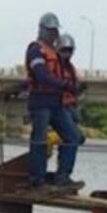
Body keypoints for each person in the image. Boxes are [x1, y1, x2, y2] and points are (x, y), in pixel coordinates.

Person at [25, 13, 82, 192]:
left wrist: (71, 87)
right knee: (40, 139)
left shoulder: (56, 55)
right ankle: (37, 179)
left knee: (73, 137)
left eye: (56, 30)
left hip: (55, 102)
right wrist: (65, 85)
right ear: (42, 30)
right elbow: (41, 74)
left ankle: (62, 176)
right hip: (40, 101)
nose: (54, 34)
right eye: (51, 30)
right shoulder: (36, 50)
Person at [56, 33, 87, 146]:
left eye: (69, 51)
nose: (67, 54)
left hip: (71, 107)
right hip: (60, 107)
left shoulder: (71, 68)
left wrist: (78, 89)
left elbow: (74, 87)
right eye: (64, 51)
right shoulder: (55, 67)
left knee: (73, 139)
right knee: (75, 138)